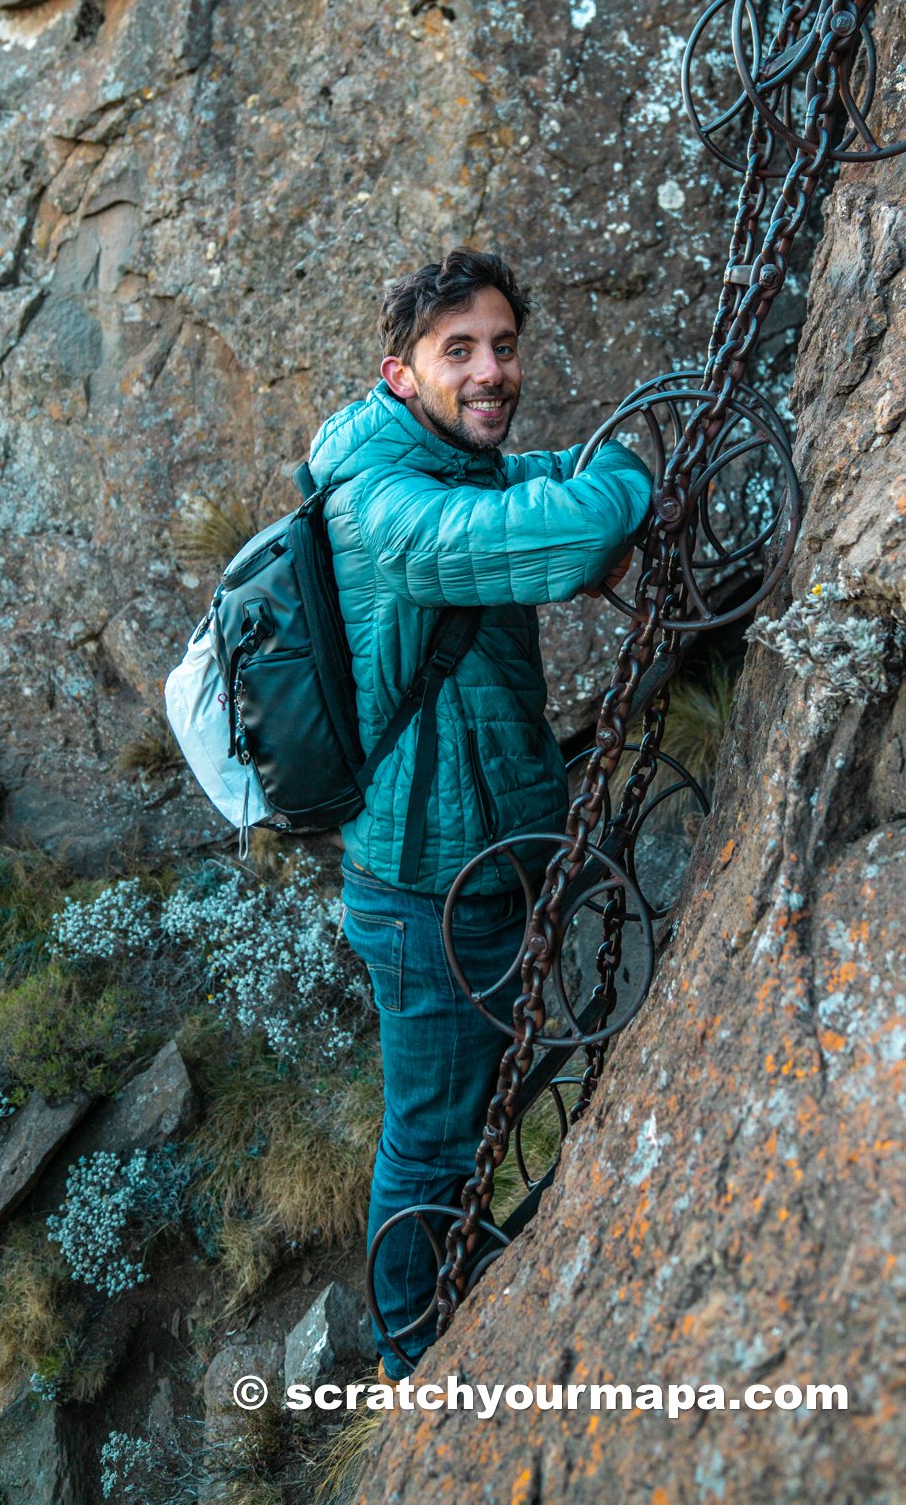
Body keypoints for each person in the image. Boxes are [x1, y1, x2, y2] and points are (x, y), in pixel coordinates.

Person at [306, 247, 651, 1379]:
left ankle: (461, 1268)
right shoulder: (385, 503)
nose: (490, 370)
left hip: (487, 857)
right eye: (459, 351)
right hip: (422, 886)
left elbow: (583, 471)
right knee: (433, 1134)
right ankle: (410, 1353)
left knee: (475, 1112)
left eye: (502, 345)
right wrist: (613, 501)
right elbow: (574, 528)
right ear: (400, 371)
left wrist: (611, 483)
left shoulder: (456, 461)